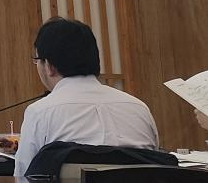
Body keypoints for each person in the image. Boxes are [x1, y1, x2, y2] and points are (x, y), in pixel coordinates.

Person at [14, 17, 159, 177]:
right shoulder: (139, 108)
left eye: (37, 61)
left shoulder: (40, 112)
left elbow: (24, 177)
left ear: (49, 66)